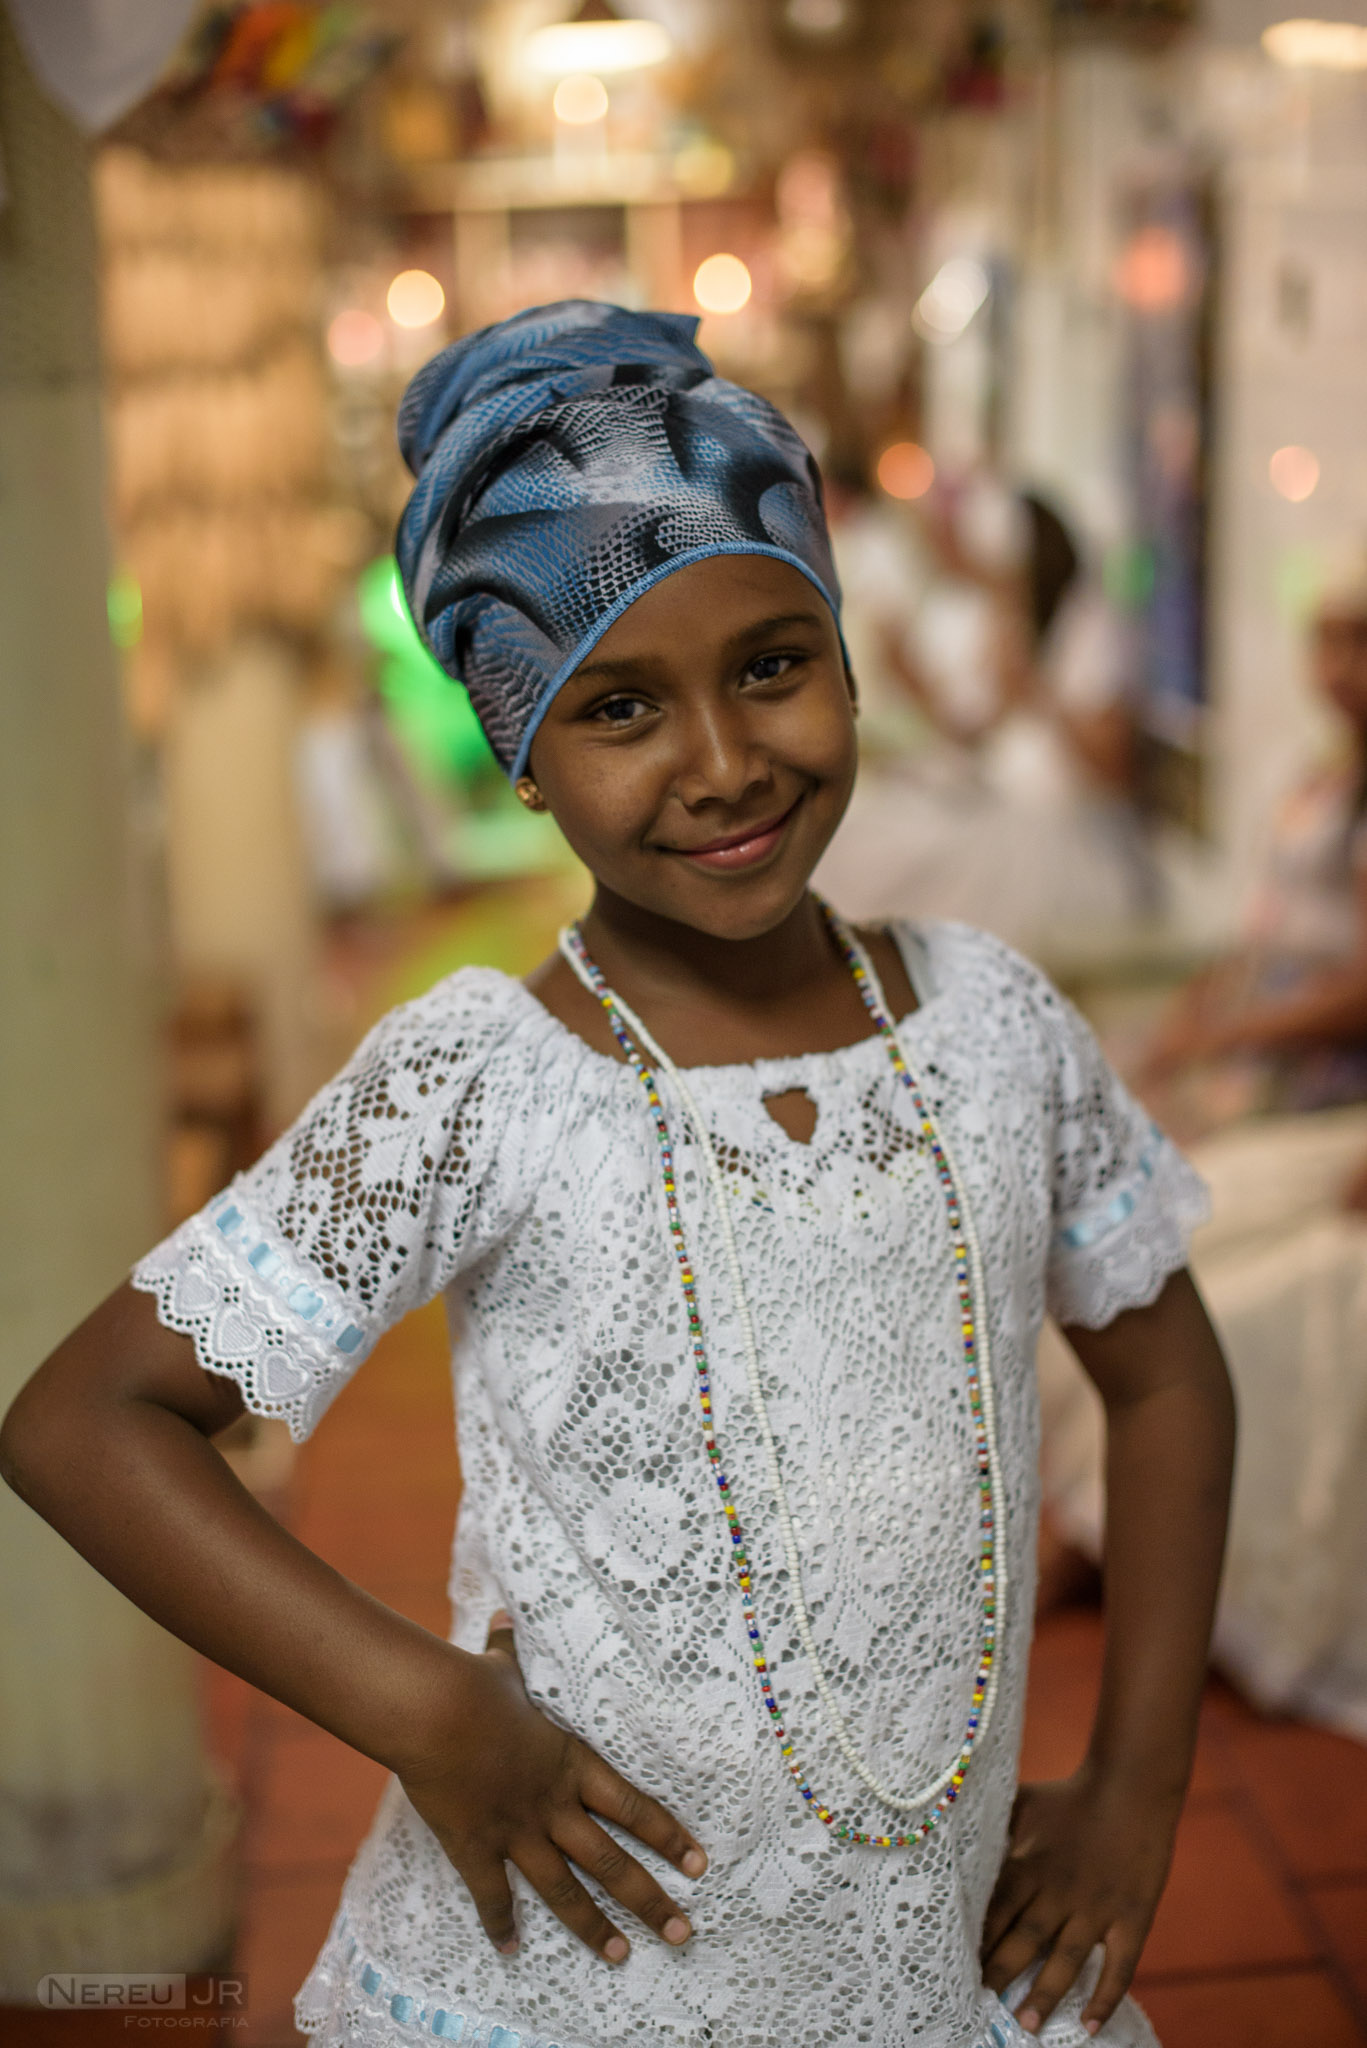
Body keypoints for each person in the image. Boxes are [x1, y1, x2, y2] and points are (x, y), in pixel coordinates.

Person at [1, 302, 1234, 2048]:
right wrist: (429, 1710)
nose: (723, 765)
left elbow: (1169, 1374)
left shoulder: (995, 1026)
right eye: (621, 707)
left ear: (849, 657)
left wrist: (1137, 1789)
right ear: (522, 757)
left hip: (930, 1961)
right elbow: (86, 1422)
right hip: (583, 1981)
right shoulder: (480, 1084)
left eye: (773, 665)